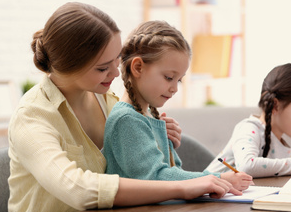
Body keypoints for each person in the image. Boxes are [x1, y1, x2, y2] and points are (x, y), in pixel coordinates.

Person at [7, 2, 240, 212]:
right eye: (102, 68)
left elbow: (134, 167)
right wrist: (184, 186)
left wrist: (159, 139)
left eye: (117, 60)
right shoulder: (32, 117)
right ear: (69, 65)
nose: (117, 72)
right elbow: (78, 189)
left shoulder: (107, 100)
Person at [103, 20, 253, 192]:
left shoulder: (146, 119)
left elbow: (174, 173)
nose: (174, 88)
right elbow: (156, 178)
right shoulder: (126, 119)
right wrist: (217, 179)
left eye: (178, 80)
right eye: (168, 77)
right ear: (138, 67)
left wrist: (167, 144)